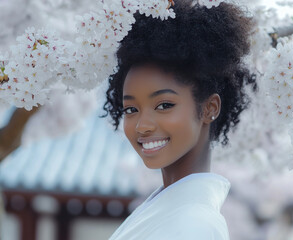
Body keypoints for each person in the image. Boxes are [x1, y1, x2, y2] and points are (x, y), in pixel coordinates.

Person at [102, 0, 256, 239]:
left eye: (164, 105)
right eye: (131, 109)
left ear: (209, 108)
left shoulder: (196, 225)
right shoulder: (166, 211)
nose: (143, 126)